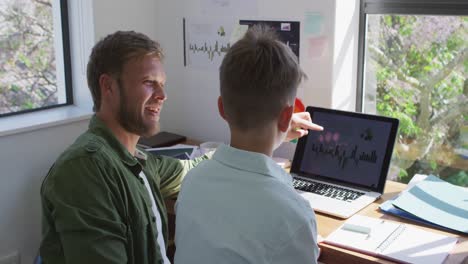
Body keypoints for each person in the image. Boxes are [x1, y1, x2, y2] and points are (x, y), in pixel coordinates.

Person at [39, 30, 321, 264]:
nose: (162, 95)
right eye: (149, 83)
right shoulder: (85, 169)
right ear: (108, 87)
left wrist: (269, 128)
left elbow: (190, 167)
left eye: (162, 84)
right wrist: (271, 125)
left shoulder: (136, 160)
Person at [174, 25, 321, 264]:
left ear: (221, 108)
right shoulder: (294, 216)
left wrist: (281, 129)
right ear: (287, 116)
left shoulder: (193, 182)